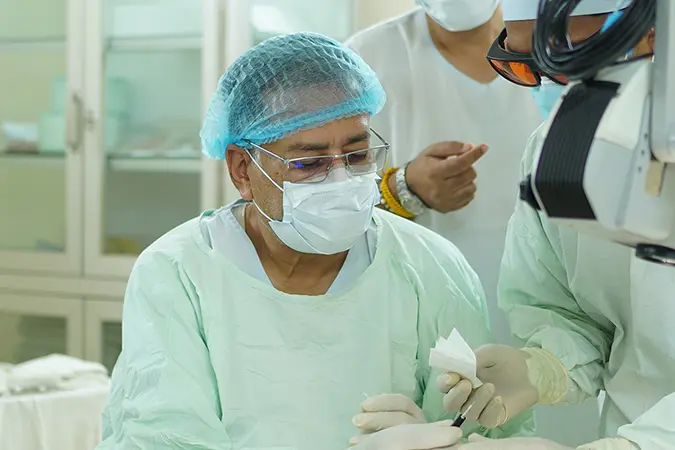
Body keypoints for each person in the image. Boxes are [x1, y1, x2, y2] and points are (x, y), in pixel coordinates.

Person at [96, 32, 532, 450]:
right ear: (242, 169)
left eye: (357, 155)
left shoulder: (431, 267)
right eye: (308, 163)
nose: (340, 179)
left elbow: (486, 432)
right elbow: (165, 439)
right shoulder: (178, 275)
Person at [435, 1, 671, 449]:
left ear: (657, 32)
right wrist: (540, 368)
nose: (552, 87)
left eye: (569, 58)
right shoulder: (553, 152)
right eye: (527, 66)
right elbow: (572, 312)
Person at [346, 0, 542, 347]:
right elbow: (327, 201)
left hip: (551, 311)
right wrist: (404, 189)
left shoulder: (559, 41)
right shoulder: (367, 58)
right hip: (428, 317)